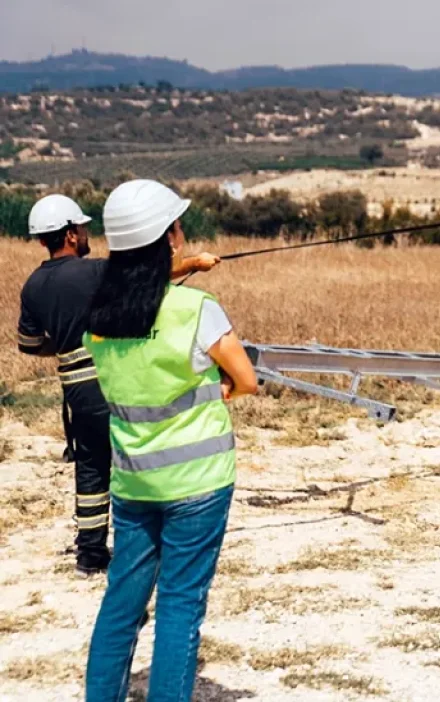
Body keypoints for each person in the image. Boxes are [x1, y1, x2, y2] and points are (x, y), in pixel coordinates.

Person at [82, 179, 257, 702]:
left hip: (134, 481)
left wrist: (186, 266)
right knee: (180, 609)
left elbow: (133, 285)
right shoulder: (196, 311)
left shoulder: (100, 318)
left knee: (121, 607)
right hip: (199, 484)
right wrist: (221, 389)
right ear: (170, 238)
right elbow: (246, 380)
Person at [17, 193, 220, 577]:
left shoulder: (32, 286)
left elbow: (28, 344)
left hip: (75, 389)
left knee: (91, 468)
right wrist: (195, 263)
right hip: (111, 380)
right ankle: (154, 544)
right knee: (138, 456)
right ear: (71, 235)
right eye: (83, 227)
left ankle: (90, 555)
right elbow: (143, 277)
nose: (87, 232)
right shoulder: (92, 272)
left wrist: (64, 345)